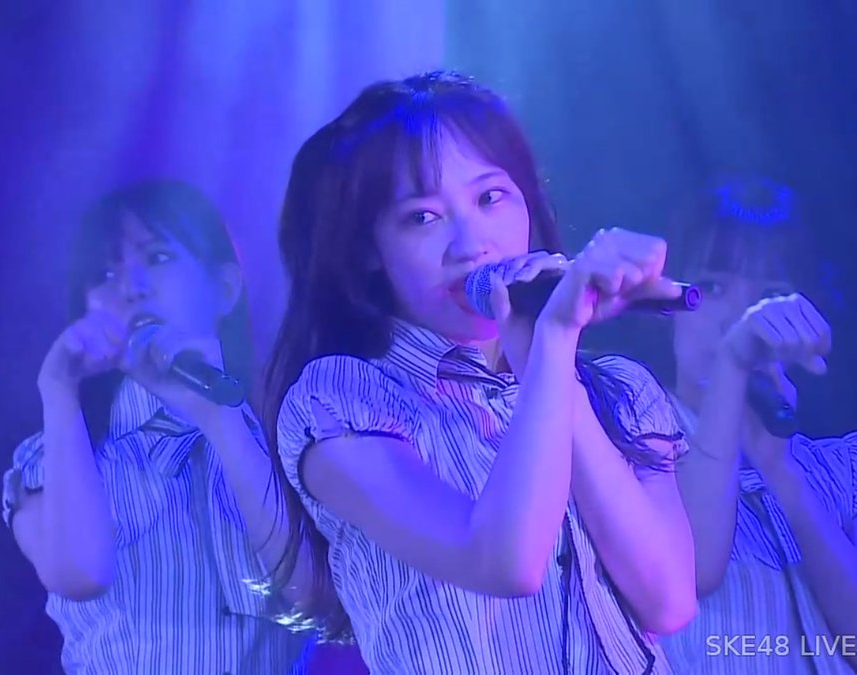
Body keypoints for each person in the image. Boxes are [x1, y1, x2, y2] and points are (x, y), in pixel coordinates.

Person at [258, 71, 715, 674]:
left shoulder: (620, 392)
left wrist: (548, 360)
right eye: (423, 217)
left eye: (491, 198)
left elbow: (669, 601)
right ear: (369, 250)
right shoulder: (342, 399)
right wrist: (552, 344)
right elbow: (505, 563)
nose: (472, 244)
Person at [1, 179, 314, 673]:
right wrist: (58, 388)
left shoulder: (291, 440)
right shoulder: (55, 456)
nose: (132, 287)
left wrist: (221, 420)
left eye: (158, 257)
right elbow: (79, 573)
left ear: (224, 289)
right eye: (105, 273)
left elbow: (311, 594)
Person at [652, 178, 857, 674]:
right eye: (713, 287)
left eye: (771, 295)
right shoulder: (630, 448)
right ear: (668, 306)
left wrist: (784, 472)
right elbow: (684, 572)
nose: (741, 319)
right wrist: (729, 379)